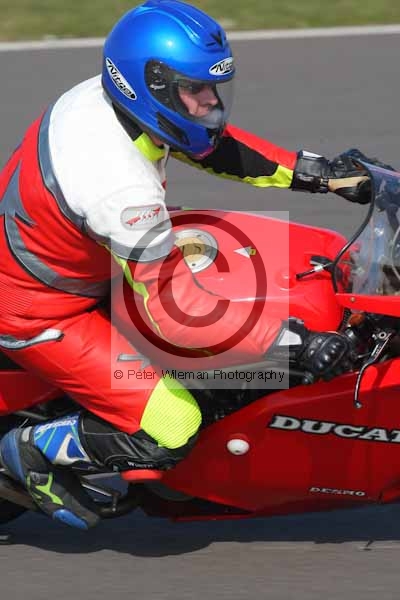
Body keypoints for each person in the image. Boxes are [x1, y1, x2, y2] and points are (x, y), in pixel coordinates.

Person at [0, 0, 369, 530]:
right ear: (150, 86)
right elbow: (181, 312)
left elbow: (210, 146)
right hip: (43, 312)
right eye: (197, 90)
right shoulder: (119, 186)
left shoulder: (105, 98)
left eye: (215, 88)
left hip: (81, 254)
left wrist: (318, 174)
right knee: (173, 423)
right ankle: (31, 448)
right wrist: (296, 343)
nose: (212, 103)